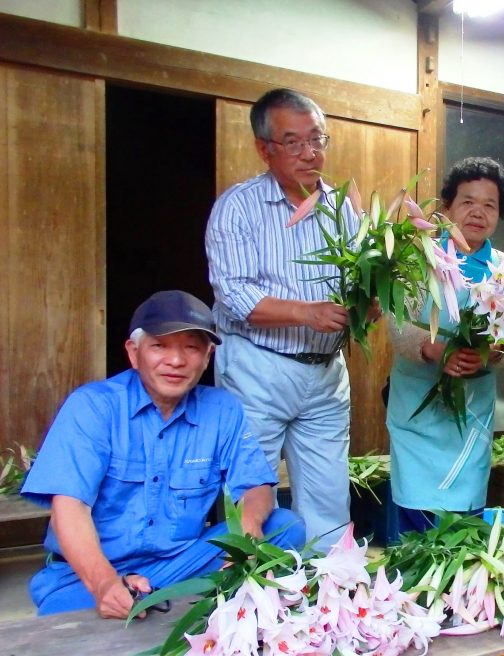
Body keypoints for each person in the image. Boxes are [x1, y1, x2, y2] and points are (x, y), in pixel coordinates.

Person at [23, 291, 305, 618]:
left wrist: (248, 523)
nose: (176, 360)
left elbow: (256, 485)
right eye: (160, 346)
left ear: (207, 355)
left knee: (284, 526)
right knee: (62, 608)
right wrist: (104, 584)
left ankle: (152, 594)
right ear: (133, 352)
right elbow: (68, 509)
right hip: (86, 574)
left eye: (191, 347)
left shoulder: (222, 409)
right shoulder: (93, 406)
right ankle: (140, 595)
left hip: (180, 561)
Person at [206, 88, 357, 550]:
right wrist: (305, 313)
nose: (310, 153)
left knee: (329, 496)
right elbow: (233, 293)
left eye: (318, 139)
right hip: (258, 366)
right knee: (252, 494)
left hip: (326, 371)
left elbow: (356, 285)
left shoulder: (342, 207)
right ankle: (250, 597)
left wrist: (368, 302)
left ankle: (328, 599)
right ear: (263, 148)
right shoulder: (239, 206)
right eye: (293, 142)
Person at [386, 157, 504, 528]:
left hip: (472, 408)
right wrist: (435, 350)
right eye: (467, 201)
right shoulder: (416, 256)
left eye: (489, 205)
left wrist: (492, 353)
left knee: (463, 515)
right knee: (415, 505)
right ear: (447, 208)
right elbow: (396, 321)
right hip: (418, 402)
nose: (478, 212)